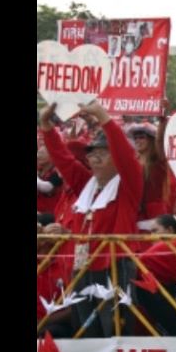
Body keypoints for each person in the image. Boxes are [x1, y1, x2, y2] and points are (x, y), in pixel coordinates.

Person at [40, 101, 143, 338]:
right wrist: (46, 126)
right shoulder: (88, 185)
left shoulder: (128, 185)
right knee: (86, 330)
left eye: (102, 153)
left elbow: (126, 155)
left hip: (114, 267)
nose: (94, 159)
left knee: (114, 330)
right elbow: (65, 160)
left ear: (117, 158)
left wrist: (104, 119)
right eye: (92, 153)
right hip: (82, 267)